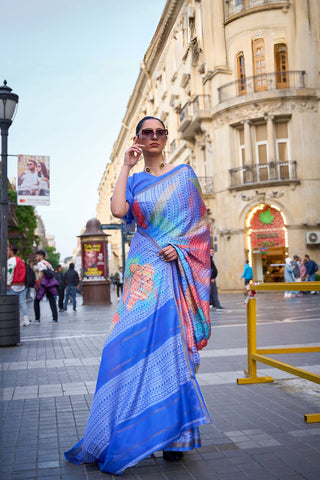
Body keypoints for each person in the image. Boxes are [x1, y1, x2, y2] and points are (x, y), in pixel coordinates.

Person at [65, 116, 212, 474]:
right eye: (148, 132)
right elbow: (118, 211)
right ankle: (125, 430)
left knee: (170, 348)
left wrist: (179, 247)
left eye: (161, 132)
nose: (155, 137)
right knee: (123, 346)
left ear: (166, 137)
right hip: (142, 269)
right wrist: (125, 166)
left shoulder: (184, 175)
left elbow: (199, 227)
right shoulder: (134, 180)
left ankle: (175, 438)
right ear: (138, 138)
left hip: (173, 270)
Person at [34, 249, 59, 324]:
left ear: (41, 256)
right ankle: (55, 319)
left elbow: (42, 274)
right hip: (50, 284)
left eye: (37, 256)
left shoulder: (40, 263)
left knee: (36, 301)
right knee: (52, 301)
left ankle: (37, 319)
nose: (36, 258)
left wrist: (39, 284)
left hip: (43, 284)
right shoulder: (48, 263)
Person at [7, 245, 30, 327]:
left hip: (13, 285)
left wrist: (8, 283)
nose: (7, 251)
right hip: (22, 284)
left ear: (12, 251)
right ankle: (26, 320)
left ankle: (12, 319)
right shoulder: (21, 260)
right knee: (22, 303)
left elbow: (10, 273)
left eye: (8, 250)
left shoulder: (10, 261)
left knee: (10, 303)